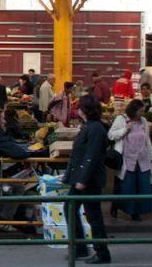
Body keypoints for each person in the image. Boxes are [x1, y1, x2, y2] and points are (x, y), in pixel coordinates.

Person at [63, 95, 111, 264]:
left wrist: (82, 179)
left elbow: (92, 155)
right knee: (71, 209)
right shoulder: (91, 127)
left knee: (92, 214)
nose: (77, 110)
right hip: (82, 177)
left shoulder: (95, 129)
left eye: (80, 107)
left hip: (88, 179)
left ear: (85, 110)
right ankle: (81, 247)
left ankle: (101, 252)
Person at [108, 99, 152, 222]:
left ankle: (138, 211)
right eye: (140, 111)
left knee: (142, 185)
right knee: (128, 186)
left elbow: (147, 139)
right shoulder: (121, 119)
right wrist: (125, 130)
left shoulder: (143, 121)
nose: (142, 114)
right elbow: (111, 135)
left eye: (143, 111)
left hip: (142, 158)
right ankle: (126, 208)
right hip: (127, 159)